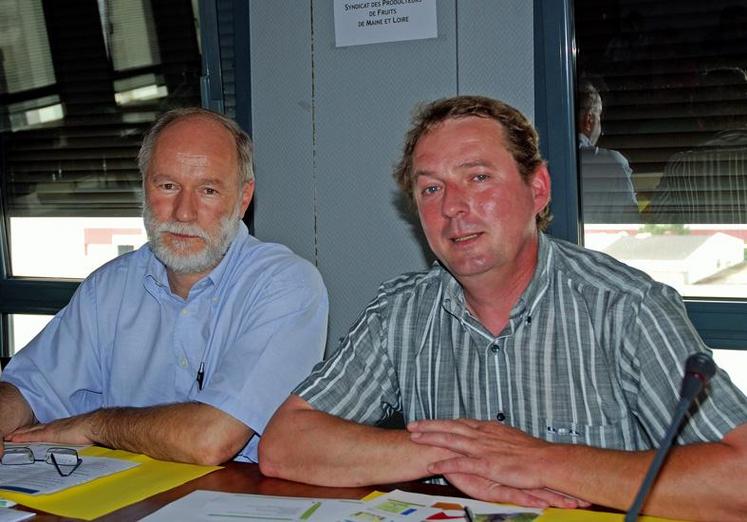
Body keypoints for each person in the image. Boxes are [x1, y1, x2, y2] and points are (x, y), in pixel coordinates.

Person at [259, 96, 747, 520]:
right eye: (431, 188)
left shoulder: (628, 308)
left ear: (537, 189)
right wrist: (454, 456)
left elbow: (739, 479)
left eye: (478, 177)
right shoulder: (401, 312)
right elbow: (285, 445)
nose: (452, 207)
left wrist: (542, 460)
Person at [0, 107, 328, 465]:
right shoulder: (108, 288)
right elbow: (28, 388)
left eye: (208, 190)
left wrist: (96, 425)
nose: (183, 213)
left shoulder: (285, 286)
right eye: (168, 186)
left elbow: (211, 440)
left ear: (243, 198)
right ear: (144, 188)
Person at [577, 80, 640, 223]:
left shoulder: (541, 160)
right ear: (589, 120)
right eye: (599, 117)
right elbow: (631, 222)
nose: (601, 130)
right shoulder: (613, 163)